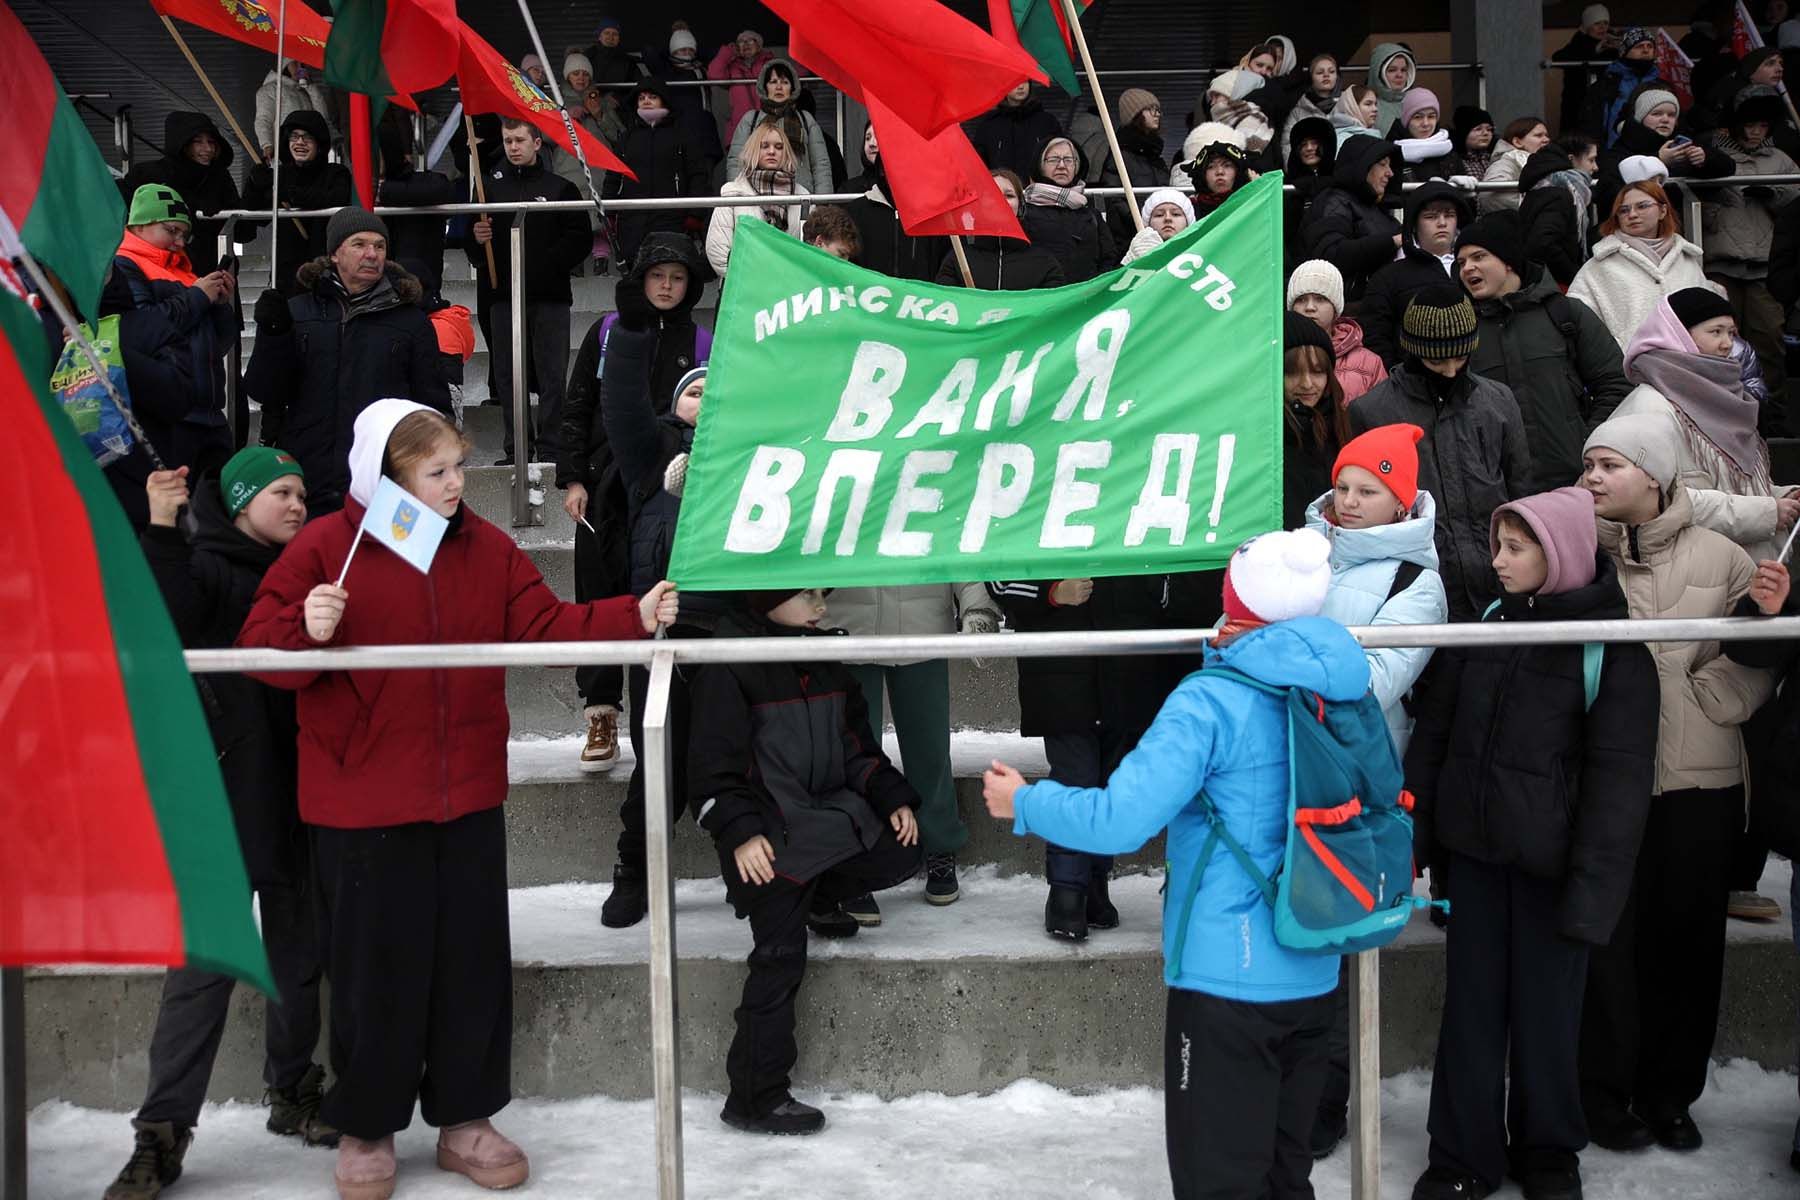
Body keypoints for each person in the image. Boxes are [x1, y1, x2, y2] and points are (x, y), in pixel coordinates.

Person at [238, 401, 677, 1198]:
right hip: (361, 803)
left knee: (470, 966)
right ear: (387, 475)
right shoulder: (325, 548)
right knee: (373, 973)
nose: (455, 483)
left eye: (457, 466)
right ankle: (367, 1124)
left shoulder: (485, 547)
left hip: (465, 793)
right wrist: (307, 627)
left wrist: (632, 614)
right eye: (435, 471)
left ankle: (466, 1121)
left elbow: (545, 628)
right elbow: (260, 659)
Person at [982, 529, 1360, 1200]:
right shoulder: (1341, 685)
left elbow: (1122, 820)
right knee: (1285, 1175)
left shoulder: (1208, 703)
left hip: (1227, 981)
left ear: (1235, 597)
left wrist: (1027, 802)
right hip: (1316, 965)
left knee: (1218, 1181)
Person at [1406, 484, 1659, 1200]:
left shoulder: (1610, 649)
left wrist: (1592, 897)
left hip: (1556, 873)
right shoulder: (1489, 624)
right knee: (1472, 1012)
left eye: (1516, 548)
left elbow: (1618, 785)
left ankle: (1549, 1151)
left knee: (1550, 1021)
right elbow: (1438, 737)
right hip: (1480, 862)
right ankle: (1462, 1155)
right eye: (1498, 544)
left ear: (1562, 555)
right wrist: (1418, 835)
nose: (1498, 561)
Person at [101, 450, 331, 1200]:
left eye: (302, 493)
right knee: (199, 978)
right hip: (217, 805)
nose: (297, 505)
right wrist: (162, 526)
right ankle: (160, 1134)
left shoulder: (310, 572)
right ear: (238, 502)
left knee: (299, 962)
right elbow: (160, 617)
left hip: (296, 801)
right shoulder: (200, 564)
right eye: (280, 493)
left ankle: (294, 1089)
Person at [1576, 413, 1772, 1156]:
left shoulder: (1723, 555)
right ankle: (1603, 1092)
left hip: (1702, 784)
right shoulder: (1576, 556)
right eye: (1587, 465)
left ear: (1654, 477)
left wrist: (1710, 696)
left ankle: (1670, 1095)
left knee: (1686, 947)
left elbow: (1758, 662)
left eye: (1609, 465)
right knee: (1606, 943)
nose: (1591, 477)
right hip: (1606, 785)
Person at [687, 587, 922, 1135]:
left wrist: (892, 796)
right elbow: (711, 773)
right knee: (778, 958)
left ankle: (818, 896)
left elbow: (858, 751)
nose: (821, 606)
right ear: (767, 600)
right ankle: (754, 1097)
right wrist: (740, 833)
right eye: (808, 595)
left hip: (822, 819)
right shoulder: (729, 665)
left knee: (904, 845)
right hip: (766, 837)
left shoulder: (823, 657)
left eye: (824, 594)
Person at [1301, 423, 1449, 1159]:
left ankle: (1328, 1103)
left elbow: (1377, 681)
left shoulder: (1416, 583)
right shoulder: (1297, 556)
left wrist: (1285, 654)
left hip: (1356, 787)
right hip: (1287, 776)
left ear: (1400, 502)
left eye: (1369, 491)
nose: (1349, 502)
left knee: (1337, 948)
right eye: (1343, 487)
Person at [592, 264, 728, 930]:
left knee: (736, 755)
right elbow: (618, 402)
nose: (702, 397)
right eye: (692, 391)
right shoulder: (651, 455)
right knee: (659, 766)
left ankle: (748, 870)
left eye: (713, 391)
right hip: (662, 629)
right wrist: (633, 335)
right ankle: (635, 871)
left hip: (730, 625)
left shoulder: (740, 457)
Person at [557, 233, 711, 789]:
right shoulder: (607, 332)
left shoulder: (702, 341)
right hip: (604, 491)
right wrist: (573, 476)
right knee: (599, 600)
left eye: (677, 278)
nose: (667, 287)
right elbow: (577, 404)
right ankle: (600, 713)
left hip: (666, 494)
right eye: (657, 277)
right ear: (641, 280)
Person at [986, 561, 1195, 941]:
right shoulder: (1036, 502)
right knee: (1076, 777)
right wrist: (1051, 591)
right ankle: (1066, 891)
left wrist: (1150, 594)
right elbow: (998, 577)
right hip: (1061, 671)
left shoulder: (1133, 505)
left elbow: (1168, 577)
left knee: (1110, 779)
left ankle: (1095, 882)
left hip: (1127, 668)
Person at [246, 208, 451, 514]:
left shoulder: (411, 321)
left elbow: (433, 408)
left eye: (379, 246)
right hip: (307, 483)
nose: (371, 254)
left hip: (386, 484)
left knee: (386, 564)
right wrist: (273, 334)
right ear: (334, 254)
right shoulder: (296, 312)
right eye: (359, 244)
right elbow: (266, 391)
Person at [1352, 288, 1531, 619]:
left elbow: (1522, 491)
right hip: (1418, 589)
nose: (1450, 371)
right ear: (1414, 352)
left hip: (1498, 580)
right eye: (1436, 360)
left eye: (1460, 358)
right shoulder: (1372, 412)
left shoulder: (1498, 402)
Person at [830, 577, 1001, 914]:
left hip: (922, 623)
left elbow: (957, 537)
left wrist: (977, 603)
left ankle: (939, 844)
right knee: (852, 757)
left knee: (929, 747)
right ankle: (854, 858)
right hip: (846, 625)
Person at [1612, 288, 1800, 562]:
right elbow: (1660, 501)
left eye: (1732, 333)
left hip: (1746, 573)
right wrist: (1766, 512)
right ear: (1677, 334)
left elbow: (1731, 481)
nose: (1727, 344)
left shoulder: (1732, 399)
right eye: (1716, 332)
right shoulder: (1650, 407)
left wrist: (1780, 496)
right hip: (1694, 578)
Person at [1455, 213, 1629, 492]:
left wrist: (1586, 442)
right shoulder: (1461, 331)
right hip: (1499, 489)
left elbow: (1616, 383)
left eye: (1479, 257)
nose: (1467, 268)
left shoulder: (1566, 313)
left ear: (1508, 261)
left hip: (1575, 481)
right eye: (1461, 262)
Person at [99, 185, 237, 531]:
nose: (179, 241)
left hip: (209, 414)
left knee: (218, 519)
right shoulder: (122, 266)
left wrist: (221, 305)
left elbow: (219, 345)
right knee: (176, 523)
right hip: (171, 417)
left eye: (184, 234)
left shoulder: (187, 273)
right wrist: (197, 298)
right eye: (171, 231)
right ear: (139, 225)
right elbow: (141, 333)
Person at [469, 119, 589, 467]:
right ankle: (517, 448)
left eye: (520, 140)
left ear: (537, 143)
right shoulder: (488, 188)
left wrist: (547, 265)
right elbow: (473, 246)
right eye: (507, 140)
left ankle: (551, 447)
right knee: (508, 375)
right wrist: (477, 239)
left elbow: (578, 238)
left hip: (549, 296)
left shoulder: (562, 188)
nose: (513, 147)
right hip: (503, 296)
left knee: (552, 374)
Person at [1703, 86, 1800, 412]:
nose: (1756, 132)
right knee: (1720, 342)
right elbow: (1692, 198)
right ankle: (1724, 409)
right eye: (1750, 125)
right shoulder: (1714, 156)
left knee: (1769, 339)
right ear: (1735, 124)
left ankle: (1772, 411)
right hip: (1720, 261)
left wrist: (1774, 194)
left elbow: (1798, 204)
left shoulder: (1781, 160)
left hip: (1764, 263)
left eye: (1763, 125)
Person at [1570, 178, 1713, 349]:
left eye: (1642, 206)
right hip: (1625, 369)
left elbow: (1709, 320)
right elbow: (1577, 321)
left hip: (1688, 367)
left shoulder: (1688, 261)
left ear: (1663, 211)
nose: (1632, 214)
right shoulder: (1599, 266)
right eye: (1623, 210)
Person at [118, 112, 246, 276]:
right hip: (160, 273)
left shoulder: (220, 179)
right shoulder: (147, 175)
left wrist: (255, 190)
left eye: (211, 142)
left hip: (213, 274)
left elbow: (244, 232)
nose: (207, 148)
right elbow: (118, 214)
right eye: (197, 141)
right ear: (181, 143)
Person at [604, 78, 711, 268]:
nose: (646, 101)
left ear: (664, 101)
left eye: (653, 97)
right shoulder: (627, 137)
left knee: (666, 271)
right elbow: (613, 176)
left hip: (672, 219)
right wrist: (609, 212)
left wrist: (695, 214)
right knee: (635, 276)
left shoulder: (682, 134)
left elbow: (698, 174)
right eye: (642, 97)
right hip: (632, 221)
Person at [1363, 180, 1472, 366]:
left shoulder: (1476, 268)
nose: (1442, 223)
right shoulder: (1388, 277)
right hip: (1412, 384)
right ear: (1414, 224)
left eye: (1450, 215)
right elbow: (1376, 340)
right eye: (1431, 216)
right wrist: (1397, 383)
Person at [1299, 135, 1404, 303]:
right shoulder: (1334, 202)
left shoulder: (1374, 207)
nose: (1390, 173)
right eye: (1383, 164)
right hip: (1348, 310)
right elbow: (1329, 255)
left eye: (1390, 166)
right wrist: (1392, 242)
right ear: (1362, 166)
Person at [1595, 89, 1736, 209]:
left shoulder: (1682, 143)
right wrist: (1658, 160)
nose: (1665, 119)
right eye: (1656, 114)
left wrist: (1704, 158)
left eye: (1671, 115)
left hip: (1677, 229)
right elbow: (1607, 193)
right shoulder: (1620, 149)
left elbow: (1729, 166)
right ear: (1640, 117)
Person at [707, 121, 811, 277]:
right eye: (764, 146)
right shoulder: (733, 192)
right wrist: (746, 282)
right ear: (754, 150)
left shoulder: (803, 195)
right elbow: (718, 250)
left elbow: (812, 251)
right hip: (746, 289)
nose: (772, 151)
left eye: (779, 147)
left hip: (791, 289)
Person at [845, 125, 947, 281]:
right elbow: (846, 267)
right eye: (891, 163)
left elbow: (947, 270)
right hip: (870, 302)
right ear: (881, 169)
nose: (898, 171)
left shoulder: (934, 214)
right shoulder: (856, 212)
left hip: (921, 303)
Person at [934, 169, 1065, 287]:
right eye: (992, 195)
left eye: (1009, 196)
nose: (1001, 201)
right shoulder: (958, 259)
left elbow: (1055, 309)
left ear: (1020, 206)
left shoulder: (1045, 262)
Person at [723, 59, 834, 197]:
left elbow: (821, 165)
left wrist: (822, 204)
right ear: (765, 87)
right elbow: (736, 162)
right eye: (773, 82)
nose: (779, 87)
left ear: (793, 89)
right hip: (755, 200)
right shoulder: (751, 119)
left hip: (801, 198)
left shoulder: (805, 119)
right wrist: (737, 199)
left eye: (785, 82)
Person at [1282, 313, 1352, 526]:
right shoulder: (1264, 433)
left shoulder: (1345, 424)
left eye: (1317, 371)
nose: (1307, 383)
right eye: (1292, 373)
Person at [375, 111, 452, 302]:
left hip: (419, 293)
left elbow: (441, 189)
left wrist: (382, 193)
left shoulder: (425, 182)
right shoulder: (356, 191)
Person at [1018, 135, 1116, 282]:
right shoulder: (1025, 213)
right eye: (1053, 160)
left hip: (1087, 298)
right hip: (1044, 298)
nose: (1062, 166)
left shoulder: (1091, 215)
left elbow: (1109, 259)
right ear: (1039, 165)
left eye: (1069, 160)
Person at [1287, 259, 1388, 403]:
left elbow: (1382, 416)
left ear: (1336, 309)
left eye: (1320, 299)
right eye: (1301, 300)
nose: (1310, 307)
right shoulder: (1275, 356)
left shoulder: (1370, 363)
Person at [1518, 140, 1597, 286]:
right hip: (1555, 284)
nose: (1595, 167)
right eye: (1591, 160)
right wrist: (1574, 276)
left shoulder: (1540, 189)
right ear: (1572, 159)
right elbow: (1543, 242)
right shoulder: (1560, 194)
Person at [1101, 89, 1171, 242]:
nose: (1157, 114)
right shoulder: (1120, 155)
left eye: (1158, 109)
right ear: (1134, 114)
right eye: (1150, 109)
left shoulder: (1154, 154)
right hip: (1133, 238)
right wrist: (1142, 222)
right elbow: (1115, 197)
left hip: (1160, 234)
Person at [970, 80, 1064, 183]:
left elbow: (1061, 155)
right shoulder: (989, 125)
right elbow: (978, 164)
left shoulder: (1047, 122)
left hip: (1040, 192)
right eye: (1015, 82)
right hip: (1003, 192)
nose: (1021, 87)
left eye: (1025, 82)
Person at [1584, 27, 1662, 147]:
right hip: (1613, 150)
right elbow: (1592, 122)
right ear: (1624, 51)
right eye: (1639, 46)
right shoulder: (1607, 83)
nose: (1646, 50)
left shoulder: (1661, 83)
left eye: (1650, 46)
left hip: (1653, 150)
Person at [1554, 5, 1620, 137]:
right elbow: (1558, 58)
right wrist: (1594, 50)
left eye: (1605, 23)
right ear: (1587, 26)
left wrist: (1619, 48)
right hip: (1577, 104)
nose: (1602, 27)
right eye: (1597, 23)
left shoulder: (1610, 47)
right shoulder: (1577, 43)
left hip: (1603, 102)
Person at [255, 59, 332, 163]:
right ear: (284, 65)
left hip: (308, 154)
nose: (300, 67)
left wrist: (310, 86)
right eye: (295, 63)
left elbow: (322, 118)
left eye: (302, 65)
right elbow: (263, 119)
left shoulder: (305, 92)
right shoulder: (270, 90)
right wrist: (267, 145)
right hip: (283, 153)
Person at [708, 29, 775, 137]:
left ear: (759, 45)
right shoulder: (732, 66)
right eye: (741, 41)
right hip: (741, 127)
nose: (745, 44)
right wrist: (728, 52)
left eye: (750, 40)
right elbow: (714, 75)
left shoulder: (770, 63)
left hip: (768, 125)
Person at [1478, 116, 1552, 214]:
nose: (1546, 140)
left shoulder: (1547, 162)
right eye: (1538, 135)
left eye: (1546, 135)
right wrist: (1540, 207)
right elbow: (1490, 196)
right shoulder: (1506, 162)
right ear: (1517, 142)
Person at [1390, 88, 1465, 183]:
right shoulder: (1392, 156)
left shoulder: (1449, 153)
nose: (1425, 123)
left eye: (1431, 116)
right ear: (1406, 121)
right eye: (1418, 117)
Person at [1279, 54, 1341, 161]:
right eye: (1320, 72)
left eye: (1331, 72)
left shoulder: (1348, 105)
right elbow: (1288, 145)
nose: (1326, 75)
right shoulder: (1298, 111)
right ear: (1311, 77)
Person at [1205, 63, 1276, 154]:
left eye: (1217, 95)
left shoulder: (1251, 121)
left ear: (1235, 94)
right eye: (1211, 98)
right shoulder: (1227, 124)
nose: (1212, 102)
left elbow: (1251, 161)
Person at [1120, 186, 1194, 267]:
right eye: (1159, 215)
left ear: (1188, 223)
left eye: (1176, 214)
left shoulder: (1201, 253)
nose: (1167, 218)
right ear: (1148, 224)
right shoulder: (1137, 251)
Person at [1369, 42, 1418, 133]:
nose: (1399, 75)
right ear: (1378, 73)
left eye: (1403, 70)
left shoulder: (1418, 102)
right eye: (1392, 70)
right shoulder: (1365, 106)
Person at [1451, 105, 1497, 180]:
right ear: (1464, 133)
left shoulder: (1496, 158)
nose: (1485, 133)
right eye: (1478, 129)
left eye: (1489, 129)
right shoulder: (1453, 162)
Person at [1330, 84, 1382, 148]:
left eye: (1375, 104)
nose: (1375, 109)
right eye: (1368, 104)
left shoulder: (1372, 133)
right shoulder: (1342, 140)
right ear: (1352, 107)